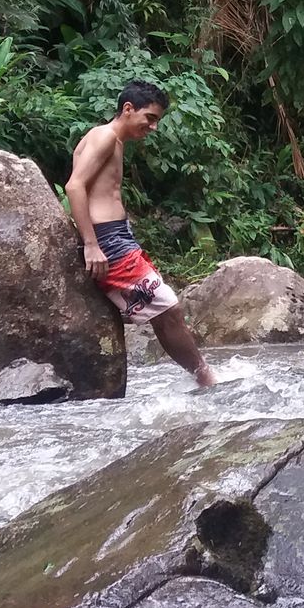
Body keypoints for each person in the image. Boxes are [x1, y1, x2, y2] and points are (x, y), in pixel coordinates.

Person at [65, 81, 217, 388]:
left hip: (118, 237)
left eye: (157, 120)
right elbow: (74, 186)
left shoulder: (112, 141)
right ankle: (206, 379)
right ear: (127, 109)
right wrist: (91, 245)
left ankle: (202, 377)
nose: (154, 126)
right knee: (170, 309)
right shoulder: (105, 136)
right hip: (108, 241)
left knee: (165, 312)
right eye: (150, 117)